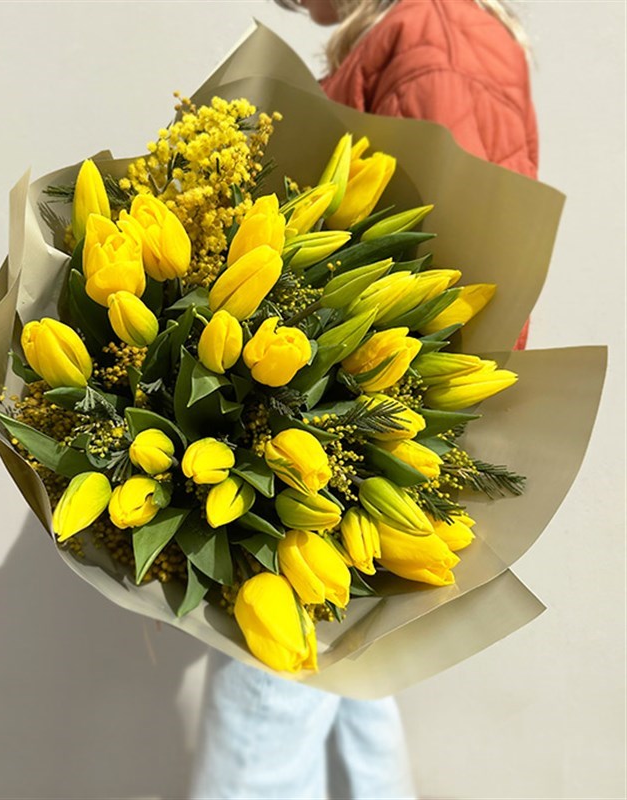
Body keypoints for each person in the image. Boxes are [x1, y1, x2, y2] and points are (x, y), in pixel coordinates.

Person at [189, 2, 537, 798]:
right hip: (350, 435)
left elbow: (449, 277)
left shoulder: (434, 39)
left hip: (352, 442)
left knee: (262, 727)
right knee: (351, 699)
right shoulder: (422, 34)